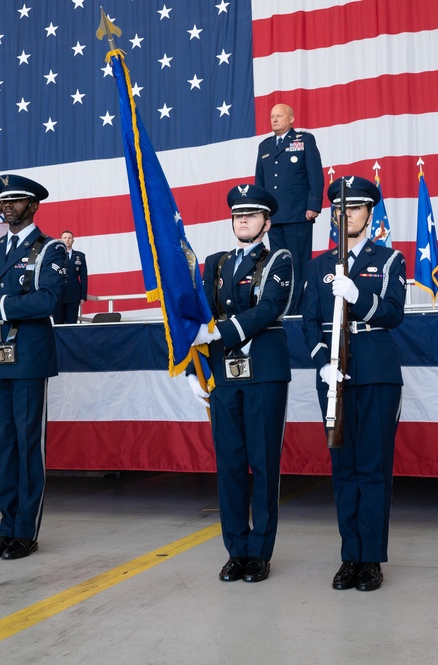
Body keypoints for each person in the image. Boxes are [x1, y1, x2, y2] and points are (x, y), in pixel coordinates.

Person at [301, 176, 406, 592]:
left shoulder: (390, 258)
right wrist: (321, 364)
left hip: (377, 371)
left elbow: (393, 313)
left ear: (369, 214)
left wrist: (357, 296)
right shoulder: (318, 266)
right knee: (343, 469)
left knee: (373, 468)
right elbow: (309, 322)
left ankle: (372, 560)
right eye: (340, 209)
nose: (346, 215)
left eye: (355, 208)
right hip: (334, 377)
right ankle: (350, 556)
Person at [186, 184, 293, 584]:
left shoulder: (278, 259)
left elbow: (269, 309)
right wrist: (194, 371)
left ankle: (260, 553)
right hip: (223, 377)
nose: (242, 220)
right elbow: (198, 317)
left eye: (251, 215)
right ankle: (236, 550)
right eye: (237, 215)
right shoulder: (215, 263)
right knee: (229, 465)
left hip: (264, 373)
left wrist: (219, 333)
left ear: (267, 222)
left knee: (263, 465)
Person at [0, 174, 67, 560]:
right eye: (1, 201)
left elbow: (47, 301)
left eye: (15, 201)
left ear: (33, 205)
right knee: (4, 447)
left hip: (29, 358)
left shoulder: (50, 249)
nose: (5, 207)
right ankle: (6, 527)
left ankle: (26, 531)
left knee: (27, 445)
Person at [255, 103, 323, 314]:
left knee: (298, 263)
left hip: (298, 214)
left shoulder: (304, 141)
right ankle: (283, 305)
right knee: (279, 262)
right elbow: (260, 181)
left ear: (291, 119)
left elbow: (315, 175)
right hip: (274, 217)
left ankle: (298, 309)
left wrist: (313, 206)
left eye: (279, 116)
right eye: (272, 116)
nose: (274, 119)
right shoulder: (264, 146)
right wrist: (261, 212)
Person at [53, 230, 87, 324]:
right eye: (65, 238)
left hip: (73, 295)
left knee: (71, 323)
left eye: (69, 238)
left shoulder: (80, 256)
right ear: (60, 240)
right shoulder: (54, 256)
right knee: (58, 323)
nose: (67, 240)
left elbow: (83, 277)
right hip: (58, 295)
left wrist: (83, 296)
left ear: (73, 240)